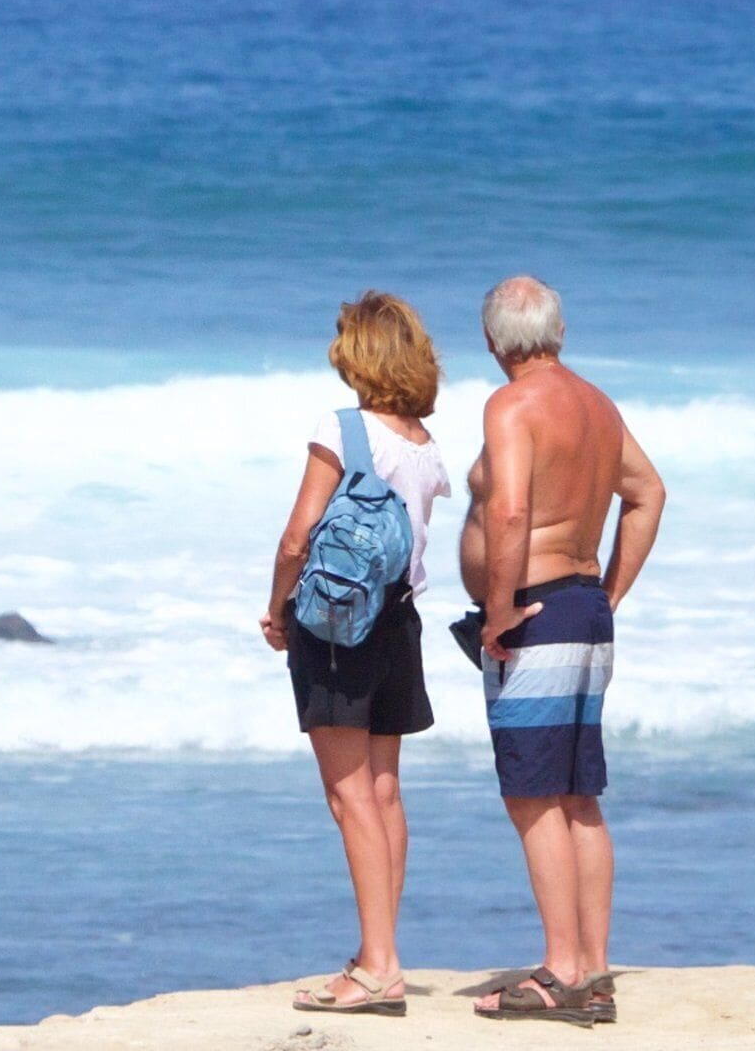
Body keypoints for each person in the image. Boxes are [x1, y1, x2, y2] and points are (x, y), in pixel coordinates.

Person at [460, 276, 666, 1024]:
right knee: (577, 793)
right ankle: (593, 968)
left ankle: (561, 969)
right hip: (582, 609)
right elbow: (649, 494)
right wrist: (608, 592)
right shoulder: (598, 405)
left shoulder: (511, 404)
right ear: (560, 333)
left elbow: (511, 509)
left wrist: (500, 610)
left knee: (532, 794)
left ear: (490, 341)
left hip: (536, 616)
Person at [261, 292, 454, 1018]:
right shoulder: (425, 445)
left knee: (349, 797)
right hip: (399, 624)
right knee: (382, 791)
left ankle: (378, 968)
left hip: (337, 628)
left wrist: (279, 609)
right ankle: (383, 952)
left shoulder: (340, 429)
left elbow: (296, 537)